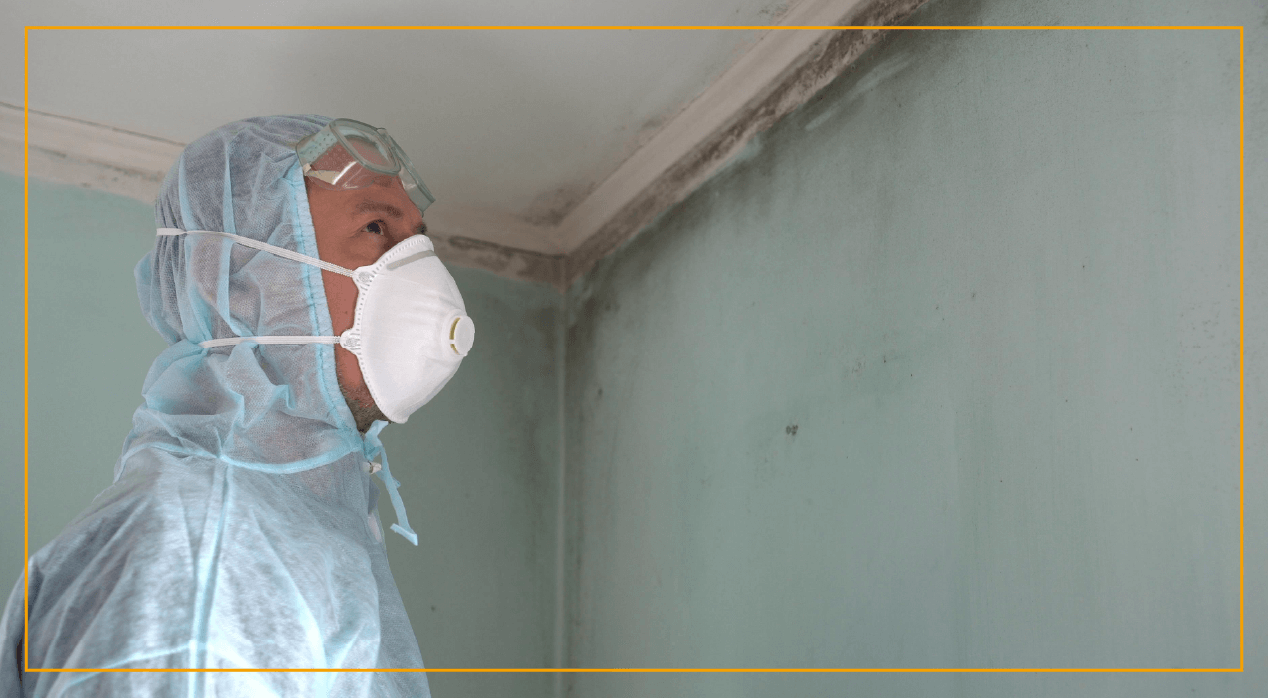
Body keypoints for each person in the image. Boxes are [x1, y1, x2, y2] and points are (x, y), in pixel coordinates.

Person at [0, 115, 474, 696]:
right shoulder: (199, 547)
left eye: (418, 242)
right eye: (376, 228)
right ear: (235, 282)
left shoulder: (292, 536)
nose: (423, 275)